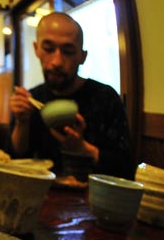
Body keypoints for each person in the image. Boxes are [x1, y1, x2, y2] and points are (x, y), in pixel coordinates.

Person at [9, 12, 132, 179]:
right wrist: (21, 122)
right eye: (48, 49)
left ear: (82, 57)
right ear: (36, 49)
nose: (57, 62)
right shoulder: (32, 99)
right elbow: (16, 159)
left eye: (68, 51)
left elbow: (125, 167)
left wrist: (83, 149)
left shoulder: (106, 98)